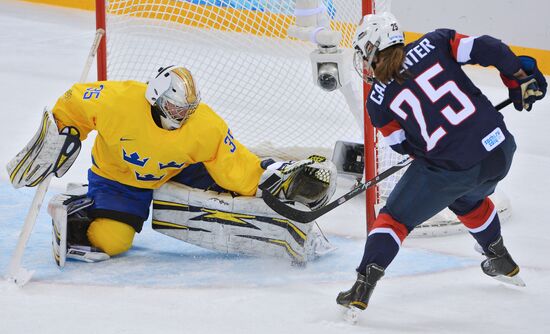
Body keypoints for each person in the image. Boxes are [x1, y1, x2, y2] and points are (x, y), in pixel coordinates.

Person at [7, 65, 337, 267]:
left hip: (177, 167)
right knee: (113, 242)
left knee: (238, 174)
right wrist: (66, 131)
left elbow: (229, 163)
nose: (181, 117)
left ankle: (277, 171)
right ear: (156, 96)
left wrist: (262, 182)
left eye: (187, 110)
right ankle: (79, 211)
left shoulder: (204, 125)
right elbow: (74, 101)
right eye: (175, 109)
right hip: (119, 177)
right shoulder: (118, 100)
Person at [336, 12, 547, 315]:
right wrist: (518, 75)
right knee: (465, 197)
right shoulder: (437, 41)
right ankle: (498, 257)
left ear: (371, 50)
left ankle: (361, 287)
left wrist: (431, 148)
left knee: (393, 218)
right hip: (500, 149)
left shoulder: (377, 104)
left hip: (454, 167)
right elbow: (491, 48)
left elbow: (404, 146)